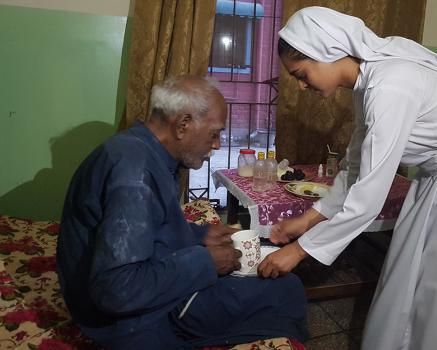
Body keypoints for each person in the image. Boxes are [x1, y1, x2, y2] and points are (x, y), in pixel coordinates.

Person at [257, 7, 437, 350]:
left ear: (326, 52)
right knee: (419, 269)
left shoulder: (390, 85)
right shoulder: (368, 82)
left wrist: (298, 251)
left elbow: (369, 195)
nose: (300, 85)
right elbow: (356, 166)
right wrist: (310, 219)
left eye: (301, 73)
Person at [56, 76, 308, 349]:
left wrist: (200, 234)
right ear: (183, 124)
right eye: (214, 133)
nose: (217, 145)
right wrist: (206, 262)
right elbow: (117, 289)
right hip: (134, 320)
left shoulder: (139, 149)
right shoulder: (135, 173)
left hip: (143, 293)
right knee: (287, 290)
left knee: (270, 284)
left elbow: (148, 226)